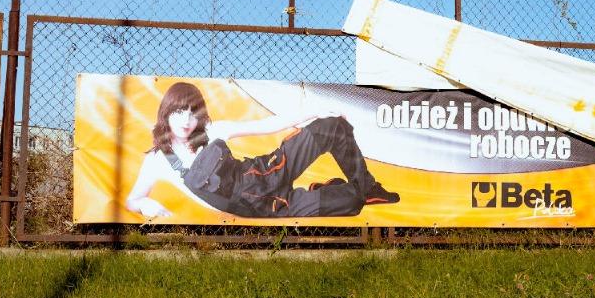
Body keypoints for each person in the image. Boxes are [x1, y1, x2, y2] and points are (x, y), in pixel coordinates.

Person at [124, 80, 398, 221]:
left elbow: (265, 126)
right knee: (352, 202)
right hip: (269, 208)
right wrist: (144, 204)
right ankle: (330, 190)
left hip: (271, 171)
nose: (186, 121)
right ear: (166, 113)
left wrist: (315, 111)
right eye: (178, 112)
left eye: (192, 113)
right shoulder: (158, 161)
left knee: (332, 126)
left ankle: (369, 186)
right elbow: (132, 200)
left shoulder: (211, 131)